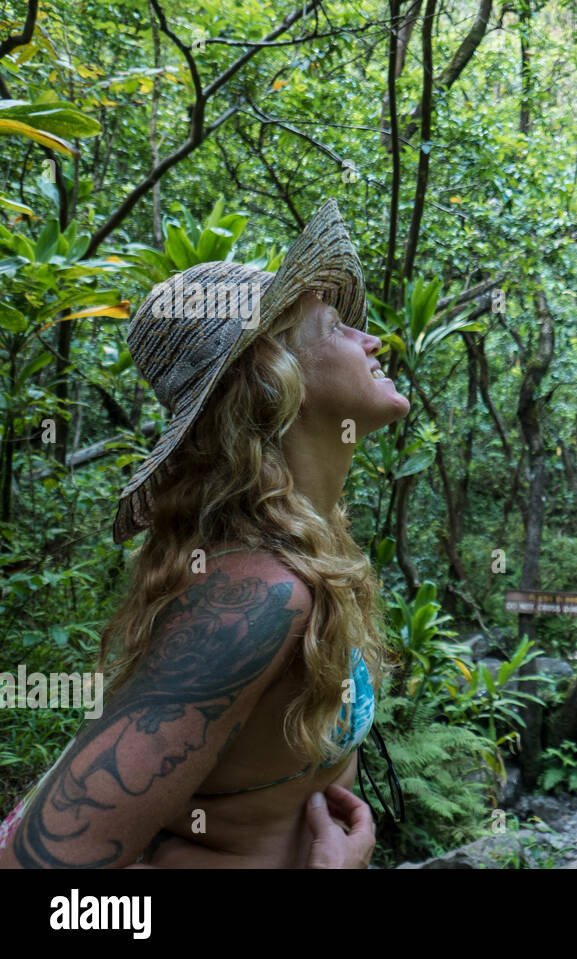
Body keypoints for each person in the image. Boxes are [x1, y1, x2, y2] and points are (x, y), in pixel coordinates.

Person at [0, 200, 410, 868]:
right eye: (338, 326)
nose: (373, 341)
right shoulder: (257, 596)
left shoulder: (310, 551)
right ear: (277, 378)